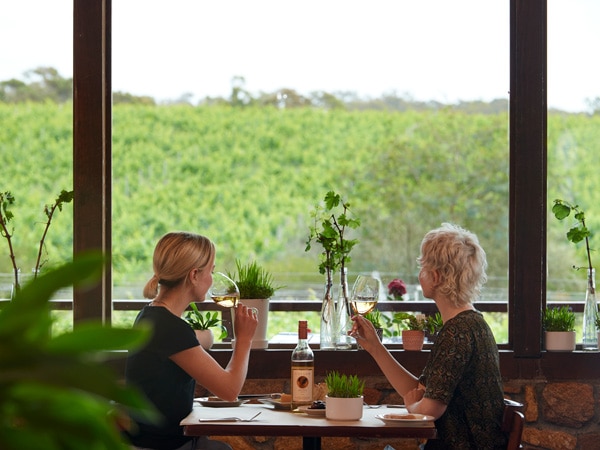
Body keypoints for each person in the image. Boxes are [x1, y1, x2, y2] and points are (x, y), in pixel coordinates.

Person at [350, 223, 507, 449]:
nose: (419, 273)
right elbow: (419, 390)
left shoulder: (457, 333)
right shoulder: (473, 324)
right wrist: (375, 347)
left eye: (422, 266)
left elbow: (428, 410)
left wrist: (412, 407)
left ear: (435, 276)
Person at [124, 231, 258, 450]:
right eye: (211, 271)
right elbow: (229, 390)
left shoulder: (152, 315)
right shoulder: (170, 329)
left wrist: (207, 336)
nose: (213, 279)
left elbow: (192, 340)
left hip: (152, 439)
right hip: (163, 445)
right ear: (194, 275)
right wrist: (244, 339)